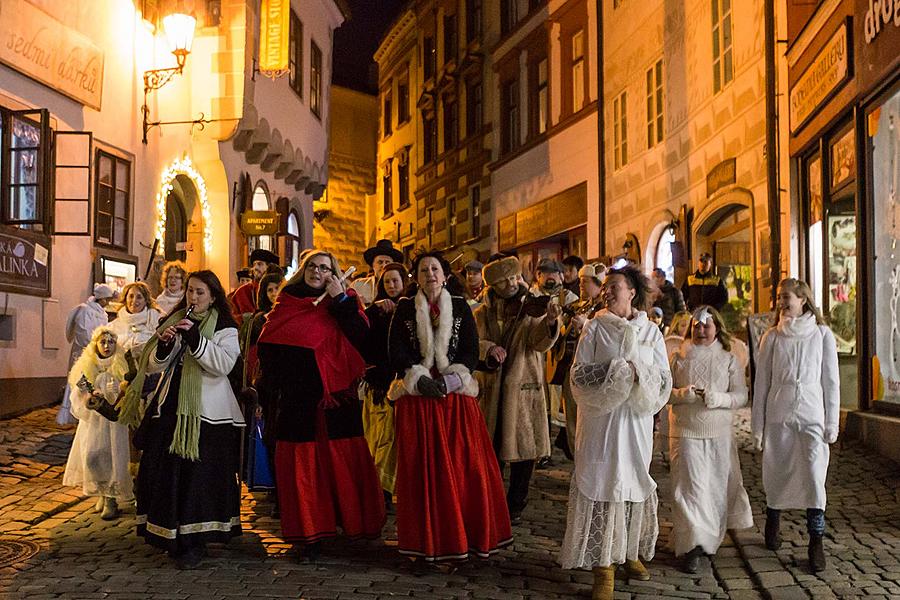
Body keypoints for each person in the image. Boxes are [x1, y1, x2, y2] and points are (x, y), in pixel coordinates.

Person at [256, 250, 385, 561]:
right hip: (298, 398)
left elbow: (361, 339)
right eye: (312, 266)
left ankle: (352, 524)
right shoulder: (287, 301)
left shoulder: (344, 302)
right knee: (304, 466)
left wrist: (340, 302)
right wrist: (267, 395)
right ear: (303, 270)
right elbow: (269, 347)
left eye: (325, 268)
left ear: (333, 272)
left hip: (337, 398)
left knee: (341, 461)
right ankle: (311, 534)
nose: (317, 272)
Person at [389, 250, 512, 564]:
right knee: (421, 472)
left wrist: (451, 381)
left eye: (435, 269)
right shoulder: (404, 308)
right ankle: (426, 542)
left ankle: (464, 537)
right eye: (423, 269)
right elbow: (396, 351)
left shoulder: (460, 307)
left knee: (463, 468)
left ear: (444, 275)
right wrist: (417, 378)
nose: (429, 274)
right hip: (418, 402)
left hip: (454, 401)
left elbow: (470, 350)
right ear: (415, 276)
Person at [559, 265, 672, 600]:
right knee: (603, 483)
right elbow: (578, 375)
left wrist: (641, 374)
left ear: (632, 292)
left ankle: (628, 553)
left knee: (632, 483)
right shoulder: (594, 328)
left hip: (634, 423)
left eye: (614, 286)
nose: (607, 291)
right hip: (601, 423)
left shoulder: (651, 332)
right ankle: (602, 567)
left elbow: (664, 380)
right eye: (605, 286)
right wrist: (617, 371)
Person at [121, 270, 246, 569]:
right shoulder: (176, 319)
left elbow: (223, 364)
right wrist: (164, 345)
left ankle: (195, 540)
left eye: (200, 292)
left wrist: (195, 339)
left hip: (208, 415)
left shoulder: (226, 327)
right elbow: (152, 365)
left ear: (213, 296)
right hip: (171, 408)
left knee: (197, 479)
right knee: (167, 473)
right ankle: (169, 534)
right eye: (190, 291)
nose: (193, 297)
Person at [752, 278, 839, 573]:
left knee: (815, 474)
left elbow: (831, 381)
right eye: (778, 297)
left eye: (786, 296)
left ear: (803, 300)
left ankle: (816, 539)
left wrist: (831, 421)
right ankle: (773, 516)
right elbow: (761, 383)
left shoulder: (822, 335)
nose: (781, 302)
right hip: (780, 411)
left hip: (811, 412)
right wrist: (758, 427)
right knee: (777, 470)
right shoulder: (772, 338)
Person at [473, 255, 561, 522]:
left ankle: (516, 502)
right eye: (505, 280)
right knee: (492, 445)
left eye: (514, 277)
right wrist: (488, 348)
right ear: (494, 284)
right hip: (493, 386)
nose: (512, 283)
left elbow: (538, 343)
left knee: (525, 447)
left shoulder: (532, 307)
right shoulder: (482, 312)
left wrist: (550, 323)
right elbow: (474, 341)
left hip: (524, 385)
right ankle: (493, 500)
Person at [668, 306, 753, 573]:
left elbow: (741, 395)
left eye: (706, 326)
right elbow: (663, 391)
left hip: (718, 434)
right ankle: (691, 544)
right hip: (686, 431)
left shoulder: (728, 358)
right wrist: (682, 394)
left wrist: (720, 399)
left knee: (713, 489)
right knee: (690, 489)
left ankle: (708, 542)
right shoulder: (678, 357)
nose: (701, 330)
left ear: (717, 328)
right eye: (696, 326)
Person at [62, 326, 133, 520]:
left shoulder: (121, 365)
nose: (107, 346)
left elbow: (125, 391)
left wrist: (112, 393)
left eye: (110, 342)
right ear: (96, 344)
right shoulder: (86, 367)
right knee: (92, 456)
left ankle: (111, 497)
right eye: (103, 342)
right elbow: (79, 390)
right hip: (93, 421)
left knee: (112, 456)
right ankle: (101, 492)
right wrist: (88, 397)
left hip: (112, 421)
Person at [360, 262, 408, 504]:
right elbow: (362, 339)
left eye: (395, 281)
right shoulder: (374, 311)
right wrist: (373, 311)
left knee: (393, 440)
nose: (391, 286)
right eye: (387, 281)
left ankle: (389, 489)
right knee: (377, 438)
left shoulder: (411, 308)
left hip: (400, 385)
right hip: (378, 385)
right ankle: (378, 489)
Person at [555, 262, 607, 459]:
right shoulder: (579, 306)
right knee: (572, 419)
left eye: (586, 282)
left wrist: (586, 325)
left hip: (592, 371)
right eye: (581, 282)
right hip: (572, 367)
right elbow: (562, 335)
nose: (581, 286)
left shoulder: (604, 310)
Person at [59, 283, 116, 425]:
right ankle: (73, 412)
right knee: (79, 380)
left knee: (91, 382)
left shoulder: (101, 313)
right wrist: (93, 346)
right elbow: (83, 334)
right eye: (107, 299)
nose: (108, 302)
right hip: (82, 353)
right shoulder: (85, 311)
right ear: (101, 299)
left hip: (95, 355)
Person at [108, 281, 161, 359]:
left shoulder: (155, 322)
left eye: (139, 297)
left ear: (146, 300)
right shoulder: (112, 326)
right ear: (125, 298)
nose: (134, 300)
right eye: (131, 296)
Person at [230, 249, 280, 323]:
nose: (255, 268)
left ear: (270, 267)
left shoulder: (281, 289)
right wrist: (244, 318)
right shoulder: (242, 292)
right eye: (254, 264)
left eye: (260, 264)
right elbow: (231, 318)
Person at [351, 239, 404, 305]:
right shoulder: (358, 285)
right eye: (380, 262)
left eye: (387, 262)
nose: (384, 265)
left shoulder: (401, 287)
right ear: (373, 265)